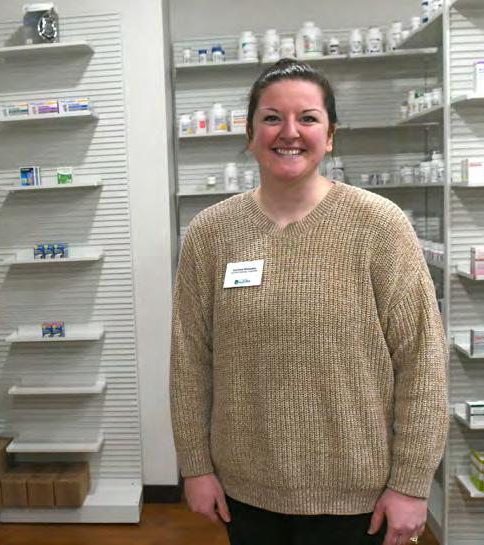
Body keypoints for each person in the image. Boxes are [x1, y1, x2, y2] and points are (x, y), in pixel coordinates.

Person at [169, 58, 448, 545]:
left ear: (330, 135)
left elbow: (422, 359)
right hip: (246, 491)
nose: (289, 132)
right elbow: (189, 360)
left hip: (357, 496)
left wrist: (411, 482)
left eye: (308, 118)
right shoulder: (210, 233)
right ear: (250, 134)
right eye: (271, 118)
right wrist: (195, 466)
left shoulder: (379, 226)